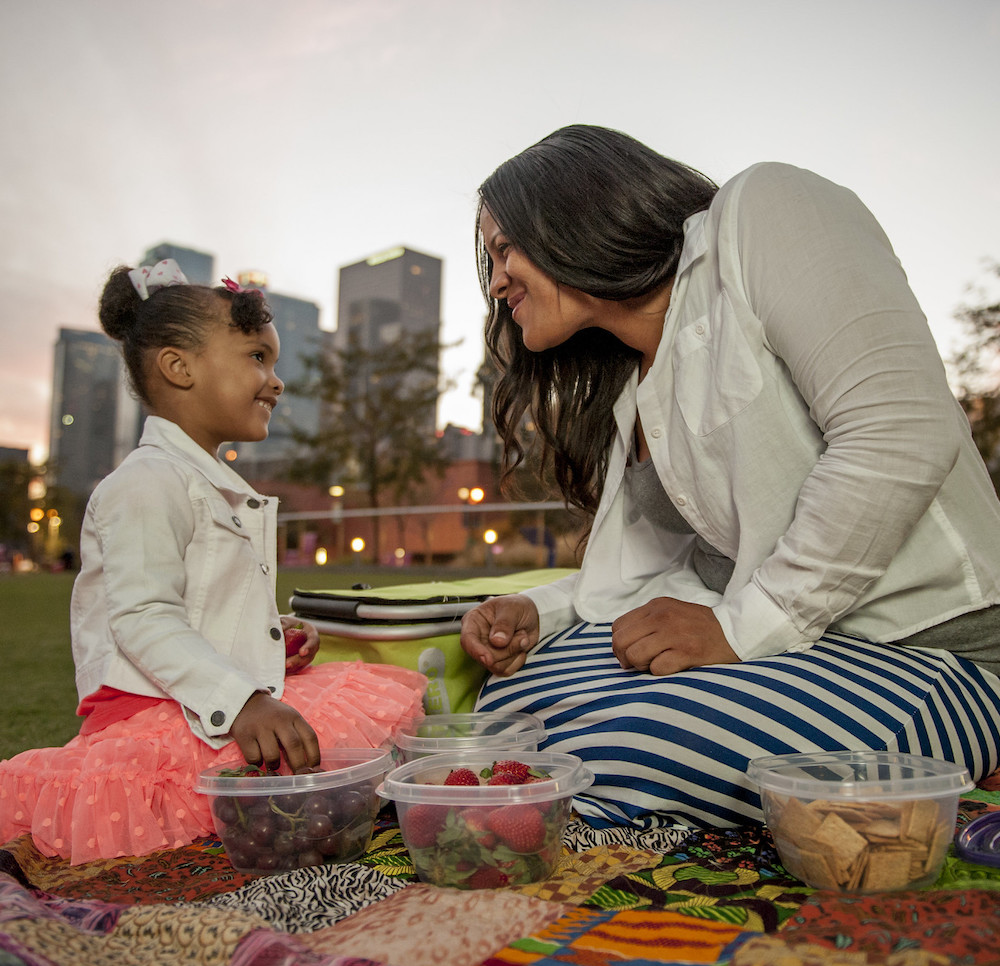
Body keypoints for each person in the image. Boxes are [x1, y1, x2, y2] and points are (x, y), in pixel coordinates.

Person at [462, 125, 1000, 831]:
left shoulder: (761, 213)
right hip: (796, 641)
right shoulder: (632, 382)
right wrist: (542, 612)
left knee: (627, 746)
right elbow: (663, 569)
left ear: (571, 210)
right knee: (508, 699)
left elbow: (899, 428)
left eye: (505, 248)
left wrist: (740, 630)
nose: (496, 280)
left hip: (930, 649)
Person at [0, 261, 426, 864]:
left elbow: (203, 610)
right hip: (156, 717)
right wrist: (244, 699)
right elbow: (144, 615)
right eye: (257, 358)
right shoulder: (145, 483)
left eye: (272, 363)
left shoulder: (209, 483)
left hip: (203, 700)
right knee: (281, 761)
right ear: (179, 368)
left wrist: (266, 641)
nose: (275, 382)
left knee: (328, 736)